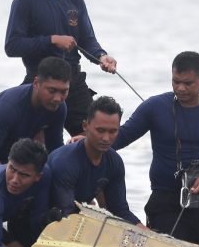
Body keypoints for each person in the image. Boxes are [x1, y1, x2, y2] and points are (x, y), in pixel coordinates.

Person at [112, 51, 199, 247]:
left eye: (187, 83)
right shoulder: (154, 107)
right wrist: (89, 140)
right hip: (165, 197)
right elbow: (121, 137)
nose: (180, 88)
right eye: (175, 81)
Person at [4, 0, 117, 136]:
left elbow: (87, 40)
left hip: (73, 82)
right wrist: (52, 40)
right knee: (35, 146)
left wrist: (101, 56)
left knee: (94, 137)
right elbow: (12, 46)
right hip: (40, 83)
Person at [0, 56, 69, 179]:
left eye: (63, 92)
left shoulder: (59, 108)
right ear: (36, 83)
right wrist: (10, 179)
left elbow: (54, 149)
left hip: (9, 160)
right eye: (52, 91)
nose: (58, 98)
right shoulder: (9, 107)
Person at [47, 96, 144, 226]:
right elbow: (66, 214)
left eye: (113, 131)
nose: (106, 138)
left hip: (75, 215)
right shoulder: (65, 162)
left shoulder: (114, 161)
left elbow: (119, 211)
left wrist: (146, 232)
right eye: (100, 130)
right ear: (85, 126)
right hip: (48, 219)